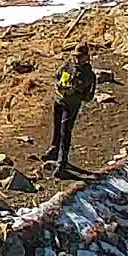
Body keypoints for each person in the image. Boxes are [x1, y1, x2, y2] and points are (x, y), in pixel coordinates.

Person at [46, 44, 99, 172]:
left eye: (80, 57)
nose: (77, 59)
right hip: (59, 101)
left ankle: (62, 162)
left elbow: (88, 97)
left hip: (71, 106)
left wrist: (75, 94)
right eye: (75, 56)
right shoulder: (66, 66)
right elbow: (57, 75)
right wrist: (58, 86)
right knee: (57, 127)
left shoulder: (89, 75)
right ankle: (53, 150)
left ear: (86, 57)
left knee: (65, 132)